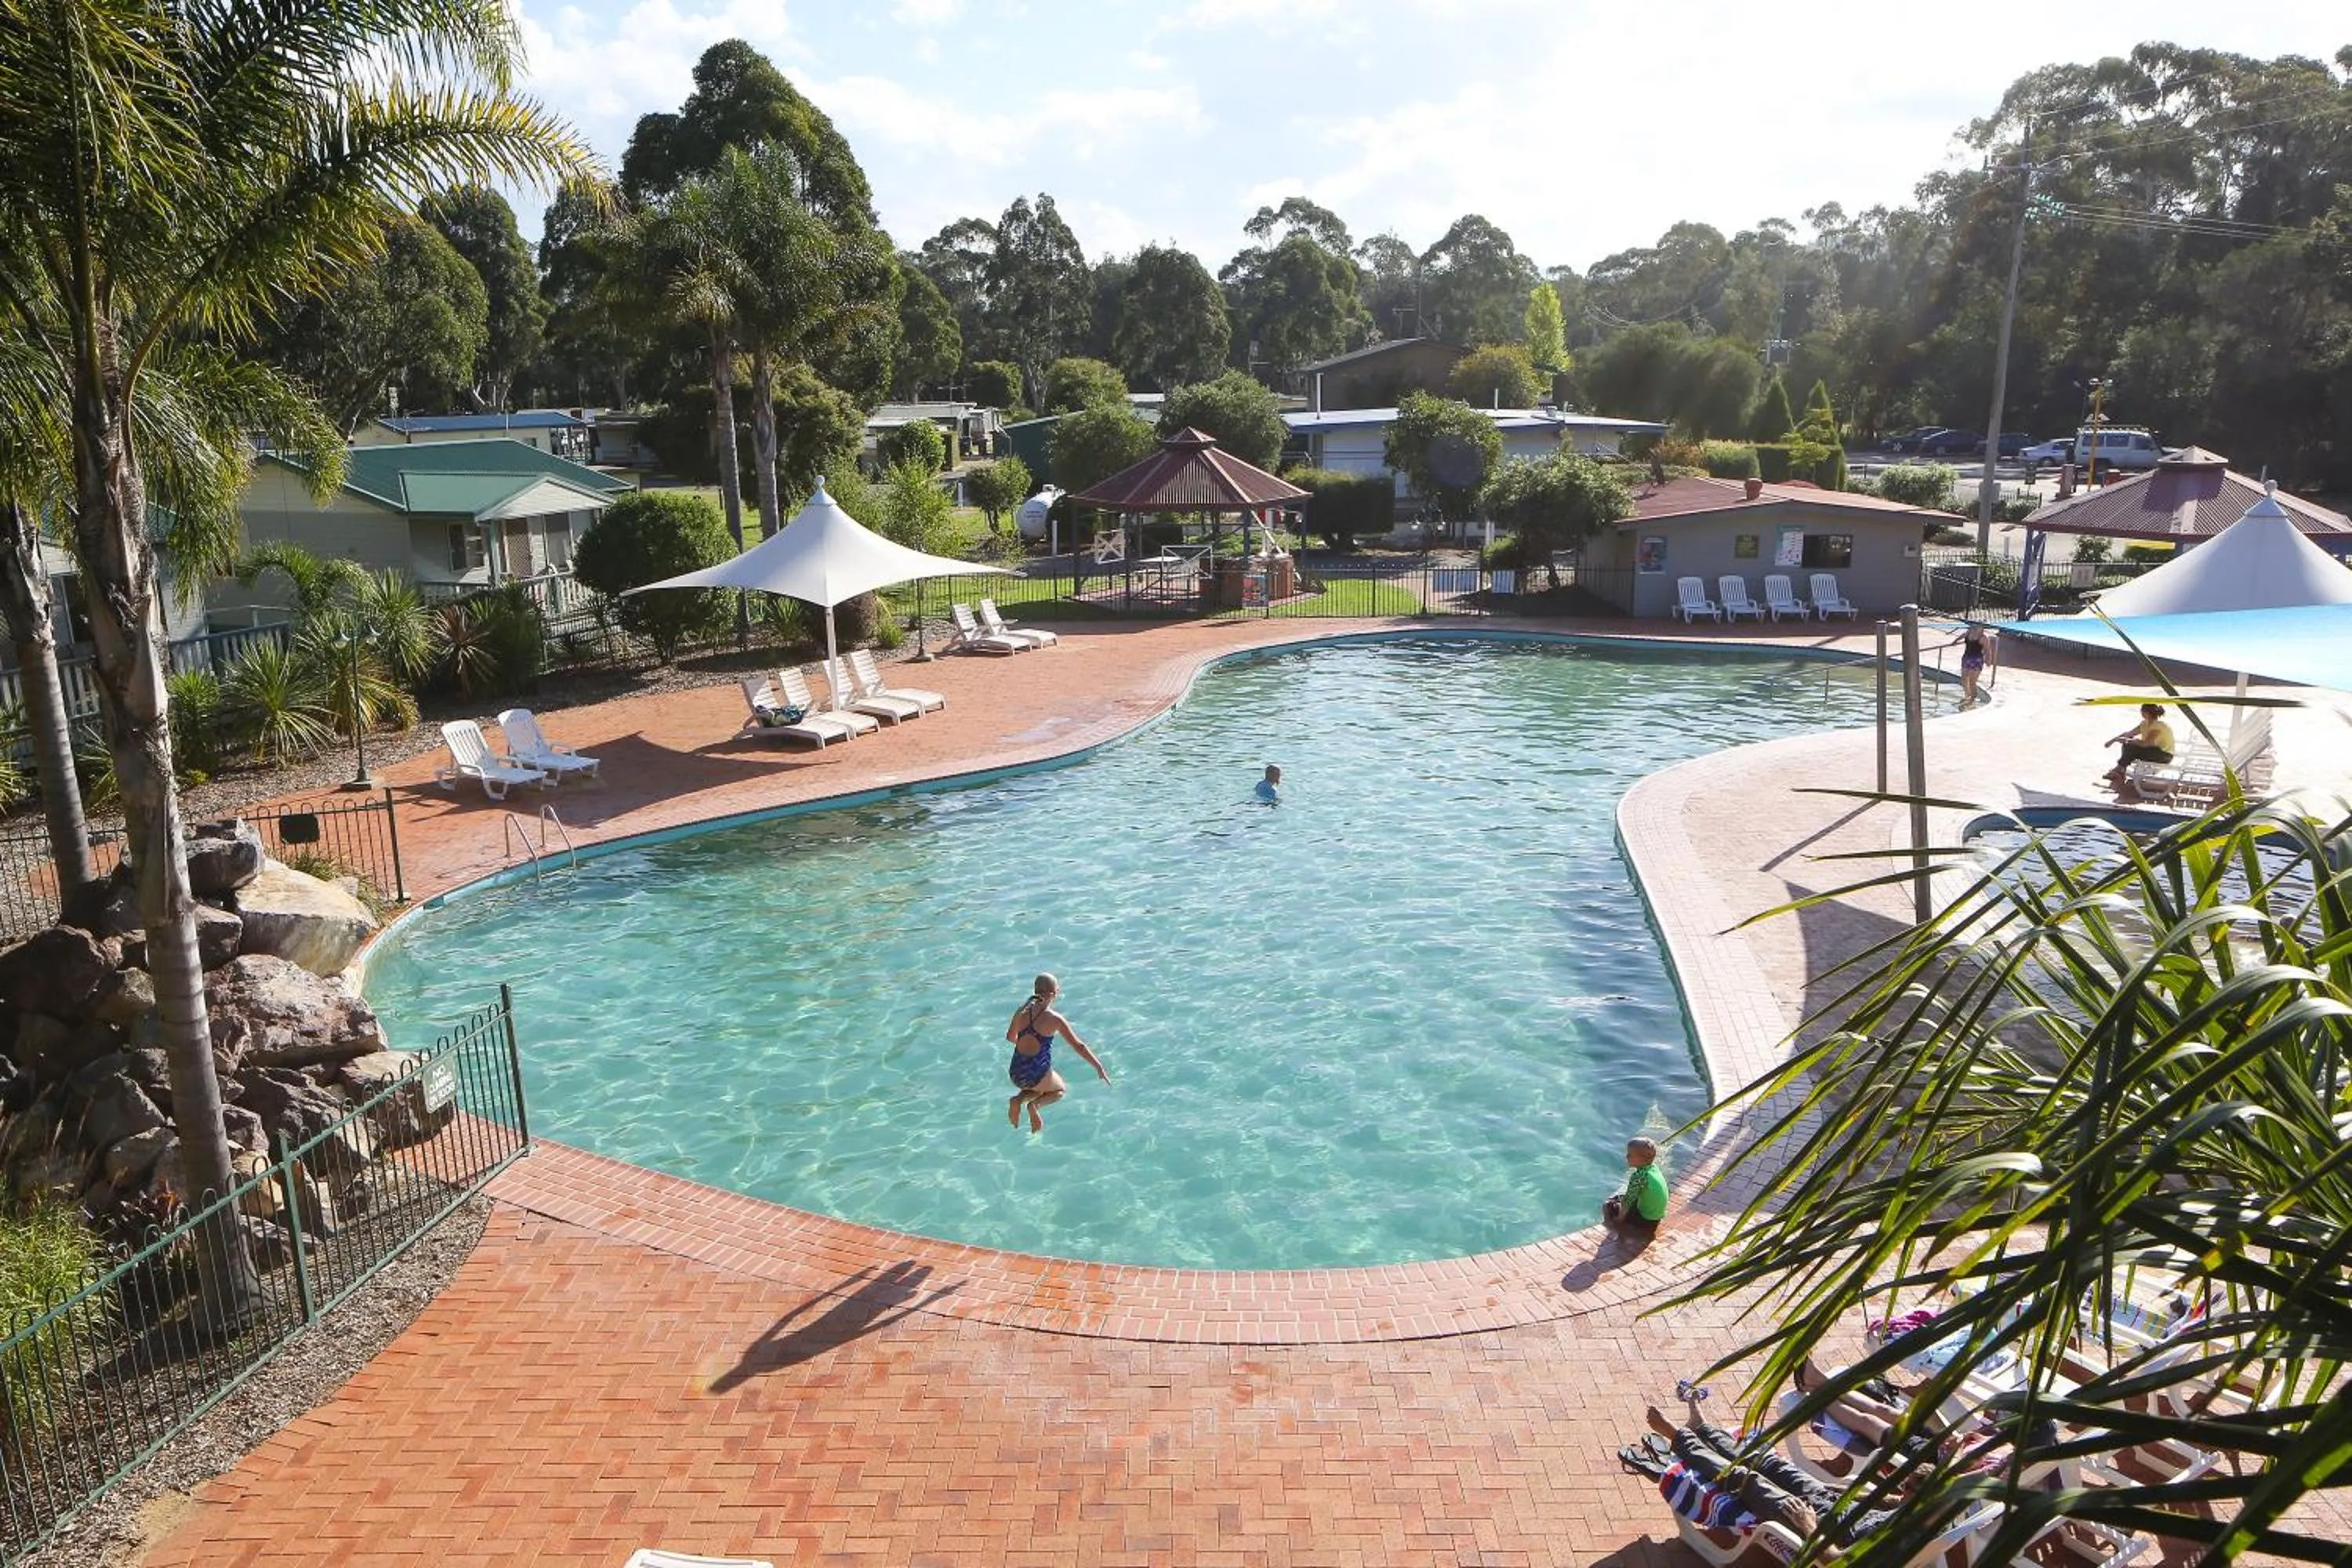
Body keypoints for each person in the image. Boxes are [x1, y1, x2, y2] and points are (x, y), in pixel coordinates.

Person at [1004, 973, 1109, 1134]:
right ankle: (1034, 1107)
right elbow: (1079, 1046)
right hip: (1035, 1075)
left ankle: (1018, 1100)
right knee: (1059, 1090)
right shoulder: (1055, 1019)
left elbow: (1011, 1038)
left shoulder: (1022, 1012)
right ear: (1053, 994)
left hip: (1016, 1072)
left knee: (1038, 1087)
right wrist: (1098, 1067)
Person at [2102, 702, 2175, 789]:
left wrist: (2128, 741)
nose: (2140, 712)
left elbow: (2147, 743)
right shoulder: (2144, 724)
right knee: (2128, 745)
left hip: (2164, 755)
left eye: (2142, 710)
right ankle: (2121, 769)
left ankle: (2120, 769)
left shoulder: (2158, 726)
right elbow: (2129, 734)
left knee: (2130, 745)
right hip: (2154, 751)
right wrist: (2113, 740)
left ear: (2146, 712)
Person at [1603, 1136, 1668, 1228]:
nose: (1626, 1157)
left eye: (1630, 1155)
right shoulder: (1654, 1168)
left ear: (1642, 1158)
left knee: (1608, 1205)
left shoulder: (1638, 1177)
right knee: (1624, 1197)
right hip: (1656, 1217)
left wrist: (1619, 1219)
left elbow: (1628, 1202)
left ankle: (1608, 1225)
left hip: (1646, 1220)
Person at [1947, 624, 1994, 707]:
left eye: (1979, 628)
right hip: (1966, 658)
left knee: (1972, 681)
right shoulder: (1969, 633)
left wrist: (1988, 661)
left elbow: (1988, 650)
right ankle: (1967, 695)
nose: (1976, 629)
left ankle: (1972, 699)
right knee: (1964, 678)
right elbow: (1962, 636)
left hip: (1977, 660)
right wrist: (1955, 642)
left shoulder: (1983, 638)